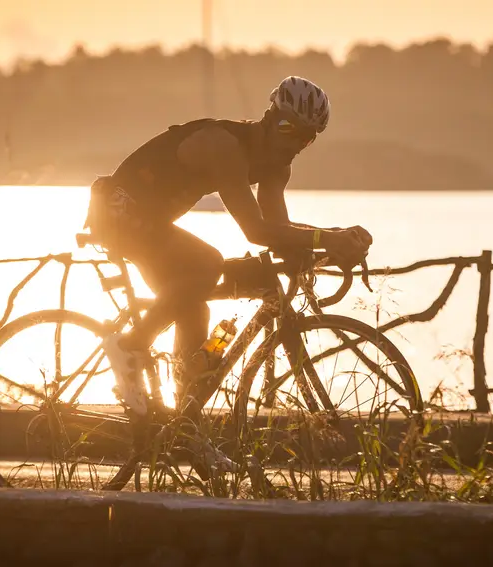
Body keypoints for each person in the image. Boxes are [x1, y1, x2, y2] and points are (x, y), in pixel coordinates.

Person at [83, 76, 372, 471]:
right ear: (269, 118)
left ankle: (186, 433)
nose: (292, 142)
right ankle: (129, 345)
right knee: (206, 264)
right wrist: (327, 238)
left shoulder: (277, 164)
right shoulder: (224, 146)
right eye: (287, 129)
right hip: (118, 211)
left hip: (152, 222)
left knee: (195, 310)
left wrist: (332, 244)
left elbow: (278, 234)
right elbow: (254, 230)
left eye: (305, 138)